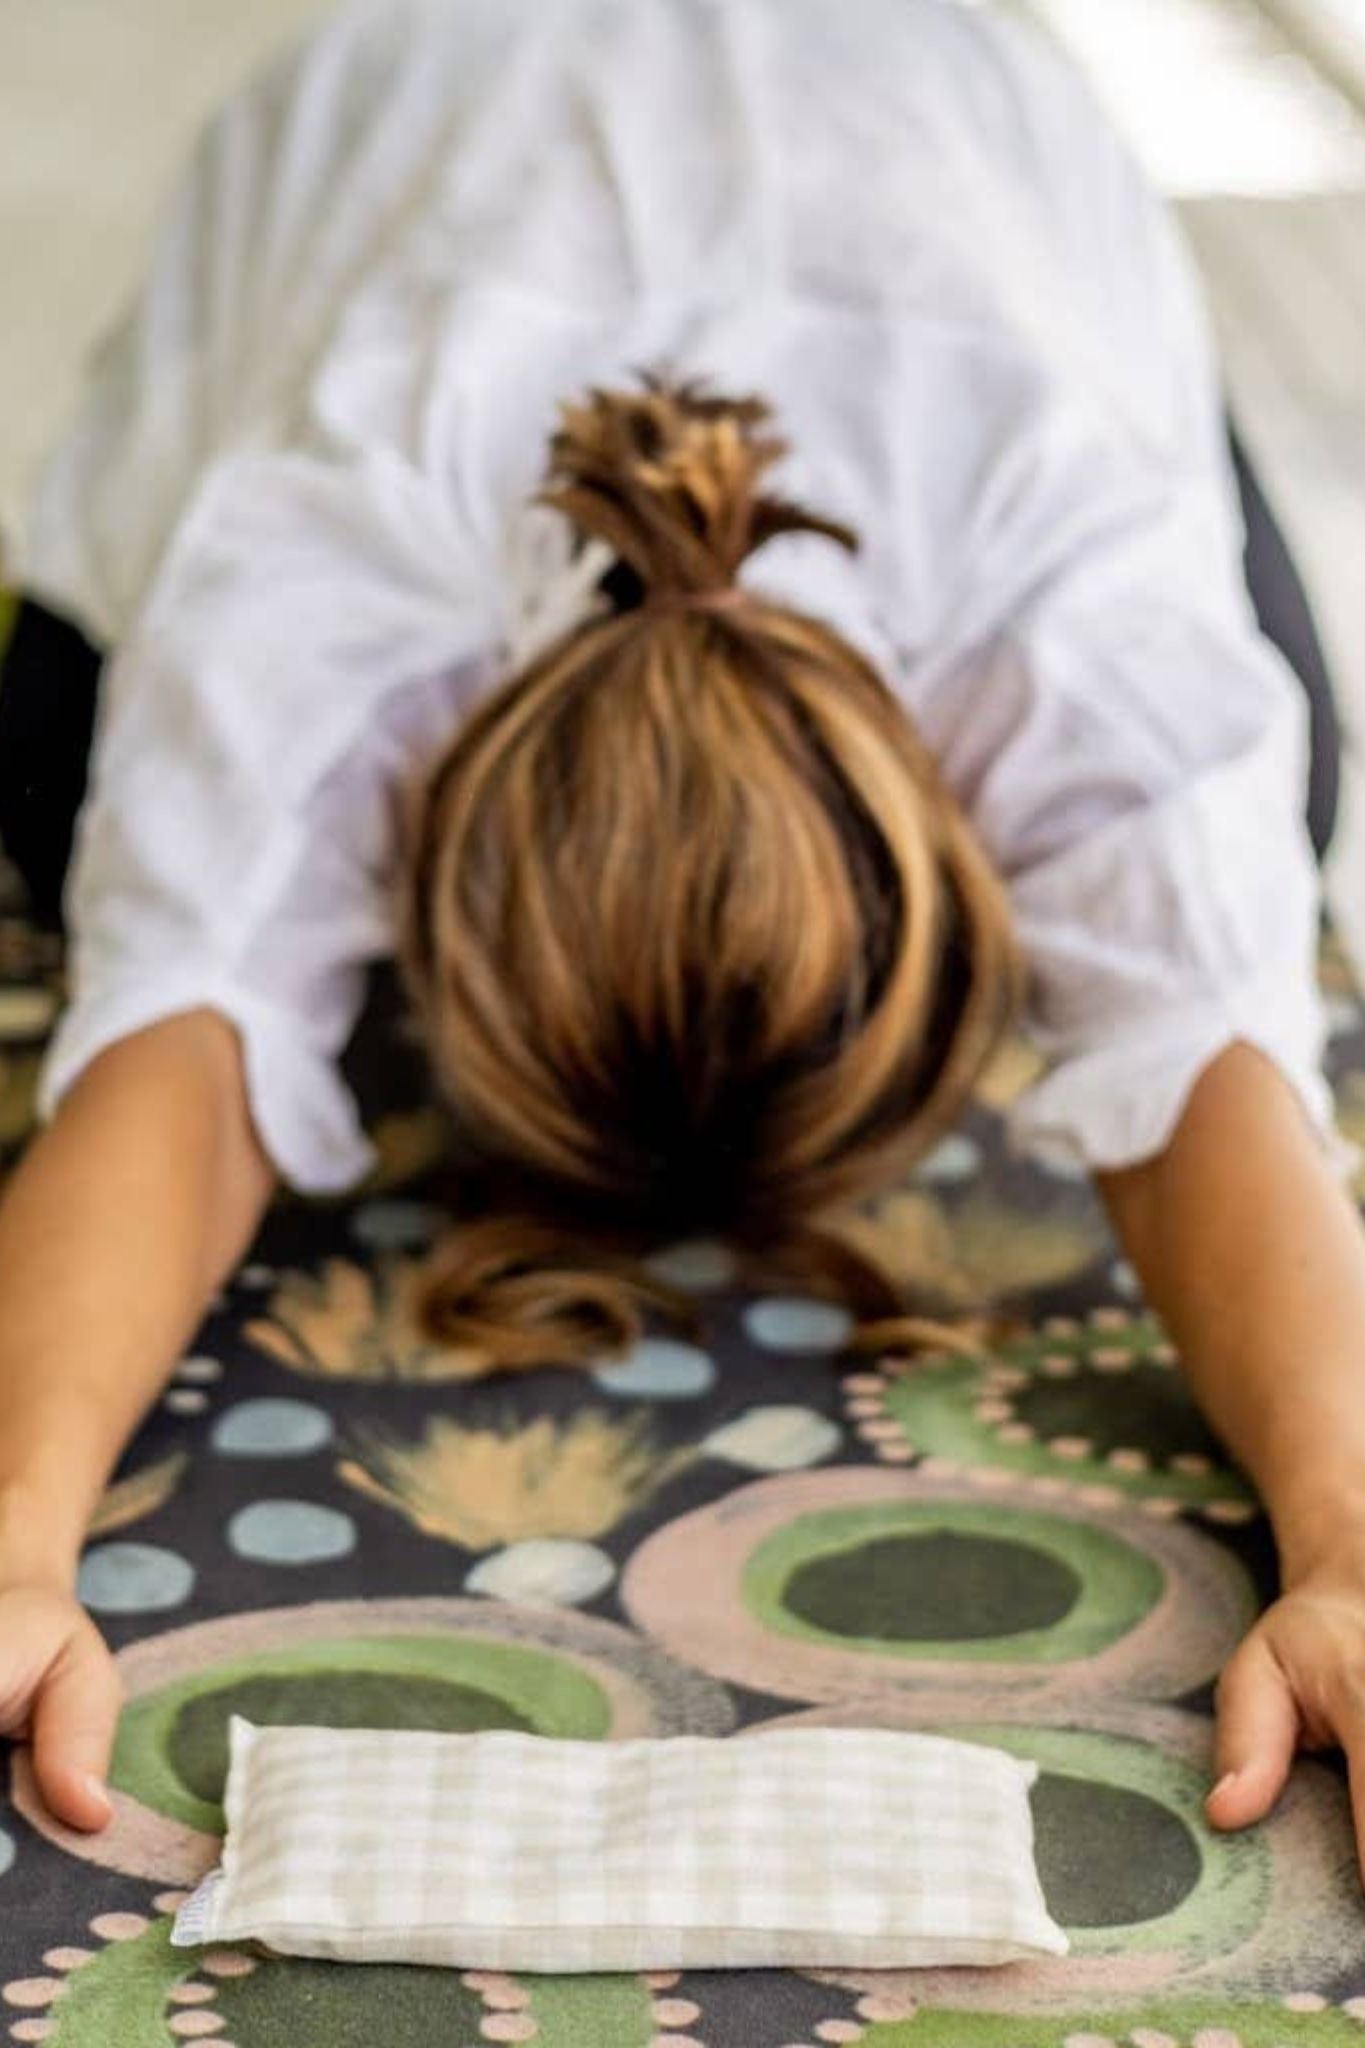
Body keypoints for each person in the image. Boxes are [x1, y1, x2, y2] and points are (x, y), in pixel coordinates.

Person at [2, 0, 1365, 1893]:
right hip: (417, 114)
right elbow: (187, 1048)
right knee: (62, 801)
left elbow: (1204, 1061)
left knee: (1275, 809)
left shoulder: (1066, 588)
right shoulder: (331, 566)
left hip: (942, 138)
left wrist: (1348, 1545)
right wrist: (14, 1543)